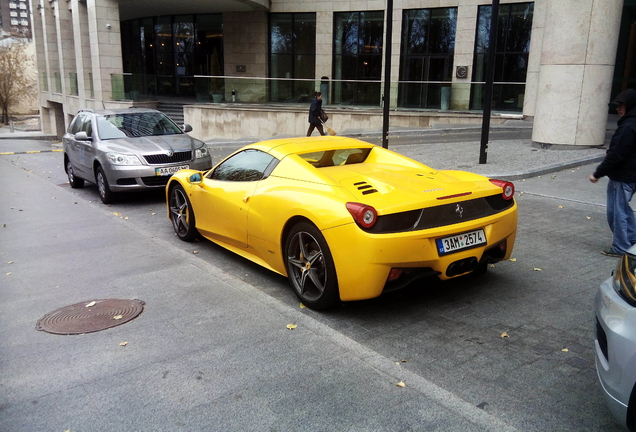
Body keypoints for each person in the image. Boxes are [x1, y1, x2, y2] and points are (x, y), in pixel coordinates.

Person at [590, 88, 636, 257]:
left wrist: (597, 173)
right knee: (623, 210)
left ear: (629, 104)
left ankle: (621, 247)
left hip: (623, 176)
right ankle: (632, 240)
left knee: (617, 213)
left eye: (621, 105)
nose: (618, 108)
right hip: (630, 175)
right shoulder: (632, 123)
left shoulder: (628, 126)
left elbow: (617, 155)